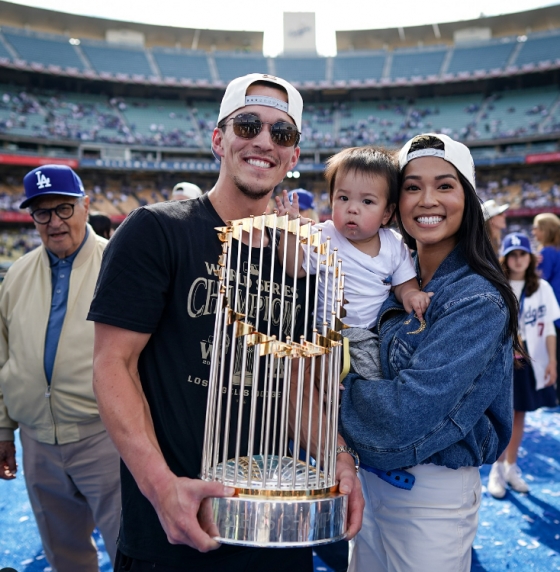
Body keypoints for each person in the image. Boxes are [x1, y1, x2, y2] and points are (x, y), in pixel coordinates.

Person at [87, 73, 363, 572]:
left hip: (275, 530)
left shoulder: (296, 261)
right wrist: (161, 487)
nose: (263, 141)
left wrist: (337, 458)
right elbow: (113, 365)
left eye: (282, 134)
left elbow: (297, 383)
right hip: (173, 527)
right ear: (219, 139)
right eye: (249, 125)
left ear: (293, 157)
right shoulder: (157, 231)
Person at [339, 133, 522, 572]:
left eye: (445, 185)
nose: (427, 200)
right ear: (394, 202)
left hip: (429, 499)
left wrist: (318, 397)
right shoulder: (393, 281)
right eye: (412, 186)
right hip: (367, 482)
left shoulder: (477, 299)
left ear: (468, 198)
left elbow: (404, 416)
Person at [0, 165, 120, 572]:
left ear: (86, 206)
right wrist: (3, 429)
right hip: (36, 443)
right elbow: (2, 356)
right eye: (42, 212)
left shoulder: (119, 263)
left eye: (64, 208)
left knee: (131, 550)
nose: (54, 222)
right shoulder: (15, 274)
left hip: (105, 437)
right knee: (63, 555)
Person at [276, 146, 432, 381]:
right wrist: (290, 232)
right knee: (322, 383)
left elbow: (404, 284)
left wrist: (411, 295)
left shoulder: (393, 244)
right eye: (343, 198)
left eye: (367, 201)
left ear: (387, 212)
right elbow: (293, 267)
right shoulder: (323, 236)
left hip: (372, 334)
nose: (352, 208)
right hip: (326, 334)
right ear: (331, 201)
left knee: (379, 376)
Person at [487, 232, 559, 498]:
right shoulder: (496, 285)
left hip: (530, 358)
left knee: (519, 414)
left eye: (522, 254)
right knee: (500, 414)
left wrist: (552, 360)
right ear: (505, 258)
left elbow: (550, 327)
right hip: (502, 358)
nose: (518, 260)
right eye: (512, 255)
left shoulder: (542, 288)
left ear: (530, 258)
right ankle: (496, 469)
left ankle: (511, 467)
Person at [532, 212, 560, 404]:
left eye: (537, 228)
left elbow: (536, 283)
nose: (533, 231)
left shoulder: (546, 253)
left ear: (545, 231)